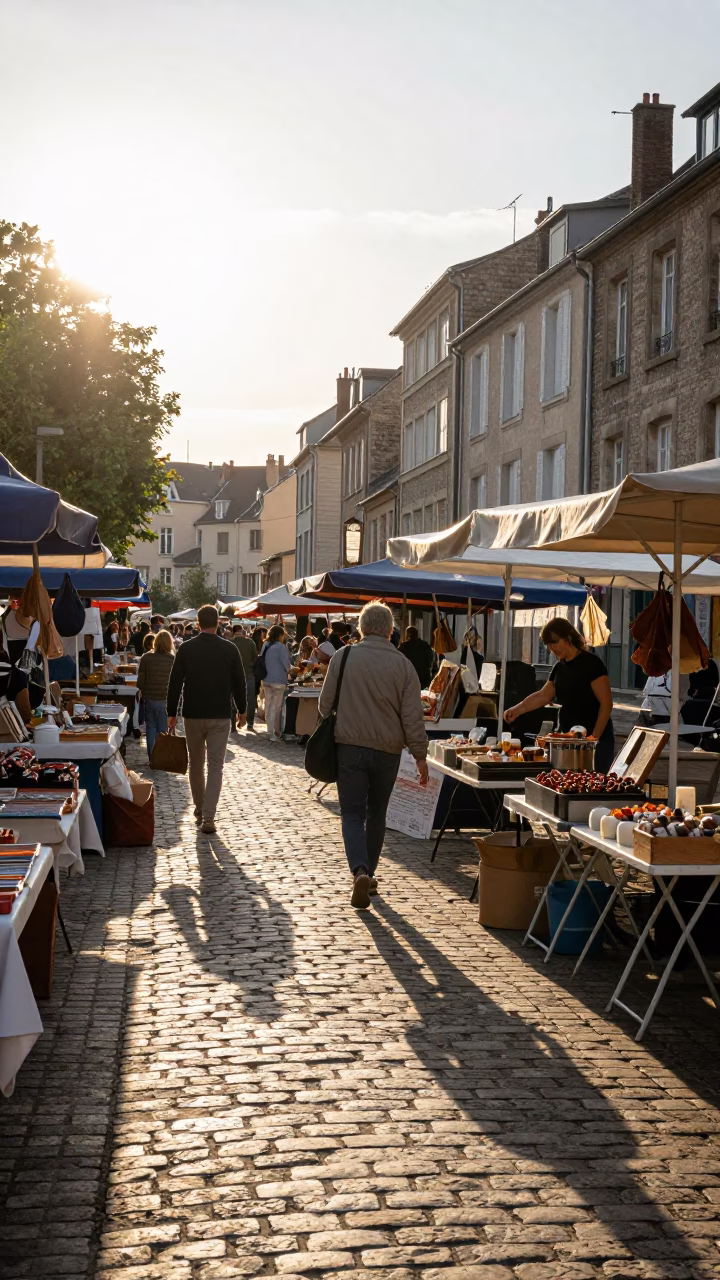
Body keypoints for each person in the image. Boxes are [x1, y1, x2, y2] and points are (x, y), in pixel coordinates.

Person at [318, 600, 429, 911]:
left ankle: (360, 872)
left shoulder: (343, 656)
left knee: (352, 813)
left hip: (349, 747)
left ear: (361, 628)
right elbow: (412, 717)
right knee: (376, 813)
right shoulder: (403, 665)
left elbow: (324, 705)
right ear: (391, 631)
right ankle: (370, 873)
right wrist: (420, 756)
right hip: (388, 750)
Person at [167, 604, 247, 834]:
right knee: (215, 766)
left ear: (198, 623)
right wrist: (242, 710)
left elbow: (175, 682)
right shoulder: (230, 649)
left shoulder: (186, 649)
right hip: (220, 715)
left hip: (192, 713)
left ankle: (200, 809)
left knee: (196, 764)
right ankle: (209, 816)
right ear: (219, 622)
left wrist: (171, 712)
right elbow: (238, 683)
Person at [504, 617, 615, 772]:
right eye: (548, 644)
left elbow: (606, 703)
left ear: (568, 638)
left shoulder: (592, 664)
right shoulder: (559, 667)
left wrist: (593, 739)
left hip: (594, 741)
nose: (551, 648)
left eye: (554, 642)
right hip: (566, 740)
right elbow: (543, 696)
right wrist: (517, 709)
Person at [137, 629, 175, 761]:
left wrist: (143, 691)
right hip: (165, 698)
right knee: (162, 729)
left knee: (151, 727)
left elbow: (140, 681)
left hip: (150, 697)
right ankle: (161, 757)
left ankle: (152, 757)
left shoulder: (146, 658)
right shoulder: (173, 660)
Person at [261, 624, 291, 742]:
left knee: (269, 706)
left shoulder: (265, 645)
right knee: (276, 707)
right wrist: (291, 671)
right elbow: (286, 664)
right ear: (280, 635)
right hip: (278, 681)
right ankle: (273, 733)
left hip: (267, 679)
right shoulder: (281, 647)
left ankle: (270, 731)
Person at [231, 623, 260, 732]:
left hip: (233, 675)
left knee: (233, 698)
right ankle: (250, 723)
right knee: (250, 699)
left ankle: (233, 724)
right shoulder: (250, 642)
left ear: (233, 632)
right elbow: (255, 658)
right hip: (248, 673)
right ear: (242, 630)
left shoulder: (230, 643)